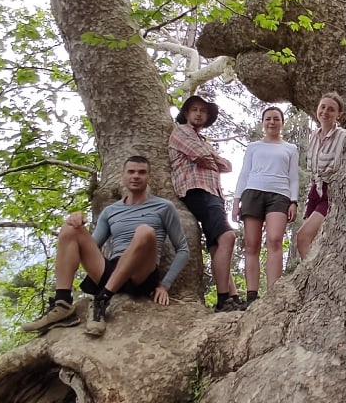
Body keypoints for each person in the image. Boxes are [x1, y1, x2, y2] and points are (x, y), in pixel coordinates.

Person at [22, 155, 190, 338]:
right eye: (131, 172)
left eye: (142, 172)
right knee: (70, 228)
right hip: (112, 270)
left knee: (145, 231)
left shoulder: (164, 207)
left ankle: (101, 300)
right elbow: (92, 246)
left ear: (149, 176)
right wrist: (76, 220)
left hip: (141, 275)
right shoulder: (110, 211)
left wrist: (164, 285)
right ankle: (62, 304)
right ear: (123, 176)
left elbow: (183, 249)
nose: (136, 176)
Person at [168, 93, 243, 313]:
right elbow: (201, 155)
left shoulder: (201, 139)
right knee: (227, 236)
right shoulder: (181, 132)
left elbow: (227, 165)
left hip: (212, 193)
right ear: (186, 113)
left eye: (203, 111)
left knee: (216, 245)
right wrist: (213, 159)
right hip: (198, 190)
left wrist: (212, 159)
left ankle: (233, 295)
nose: (199, 114)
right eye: (195, 110)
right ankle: (223, 300)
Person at [231, 105, 299, 304]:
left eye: (276, 119)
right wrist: (236, 201)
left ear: (282, 123)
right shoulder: (253, 147)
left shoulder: (290, 148)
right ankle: (251, 295)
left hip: (280, 195)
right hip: (253, 193)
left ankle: (273, 292)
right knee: (251, 245)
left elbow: (293, 177)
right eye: (268, 119)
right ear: (262, 123)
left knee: (275, 240)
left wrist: (293, 201)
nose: (272, 122)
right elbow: (244, 174)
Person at [296, 91, 346, 261]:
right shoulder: (314, 136)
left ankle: (308, 276)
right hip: (314, 191)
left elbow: (338, 165)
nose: (325, 112)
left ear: (339, 115)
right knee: (314, 239)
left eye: (331, 109)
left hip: (330, 191)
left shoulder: (342, 136)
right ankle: (311, 272)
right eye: (322, 107)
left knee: (303, 237)